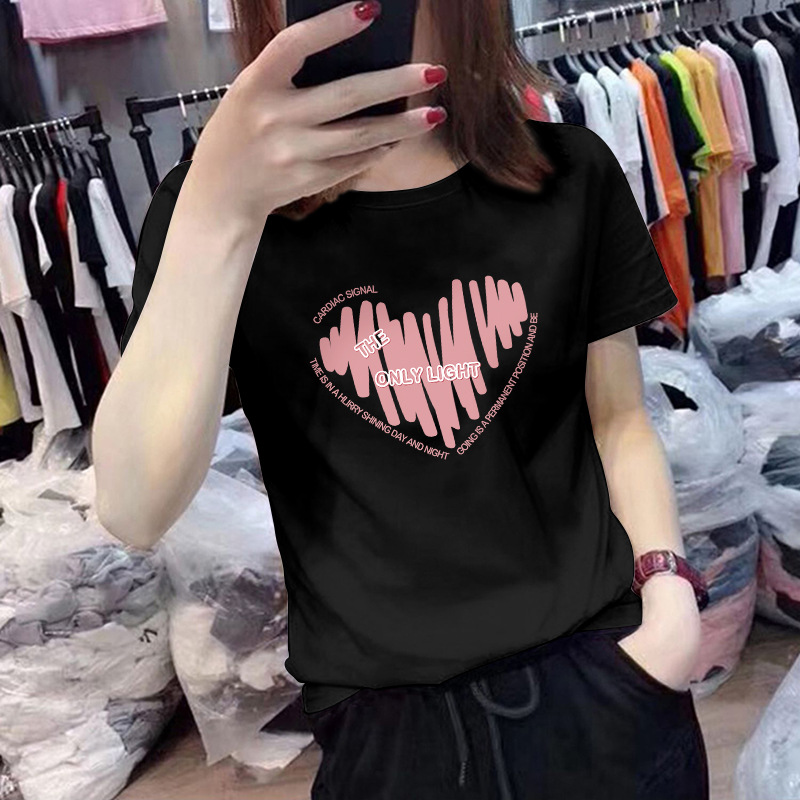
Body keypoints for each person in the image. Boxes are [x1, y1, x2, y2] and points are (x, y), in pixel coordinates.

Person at [92, 1, 711, 797]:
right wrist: (221, 207)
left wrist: (669, 601)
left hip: (608, 679)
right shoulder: (213, 214)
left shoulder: (572, 173)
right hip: (386, 728)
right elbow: (134, 510)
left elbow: (619, 416)